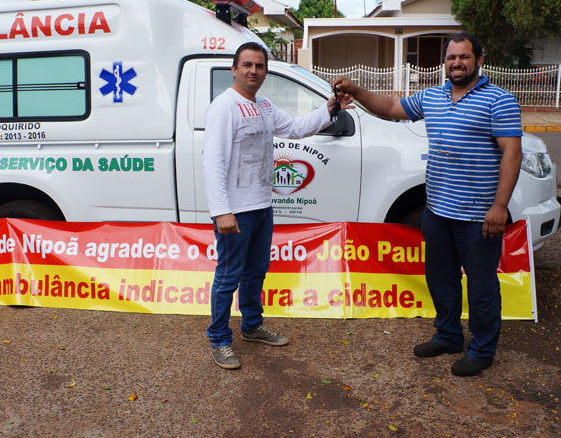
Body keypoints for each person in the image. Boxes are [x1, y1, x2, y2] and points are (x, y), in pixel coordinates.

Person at [335, 31, 523, 377]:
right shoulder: (433, 97)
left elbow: (512, 152)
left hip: (477, 215)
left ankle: (482, 350)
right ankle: (449, 335)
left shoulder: (499, 100)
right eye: (451, 58)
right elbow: (391, 108)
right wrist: (356, 91)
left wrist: (499, 206)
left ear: (479, 60)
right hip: (436, 210)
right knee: (441, 278)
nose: (457, 63)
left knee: (481, 285)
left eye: (464, 57)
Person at [203, 41, 347, 370]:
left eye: (260, 66)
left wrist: (330, 108)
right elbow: (212, 163)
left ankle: (252, 326)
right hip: (235, 211)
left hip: (261, 206)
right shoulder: (224, 107)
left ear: (266, 71)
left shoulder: (265, 106)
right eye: (247, 65)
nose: (254, 71)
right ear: (234, 69)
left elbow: (296, 129)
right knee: (228, 276)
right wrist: (221, 211)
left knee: (256, 273)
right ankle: (219, 338)